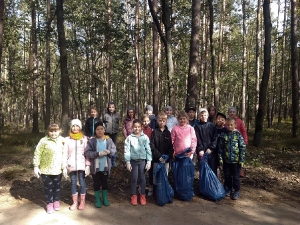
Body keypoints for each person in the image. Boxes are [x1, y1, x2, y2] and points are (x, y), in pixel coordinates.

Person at [33, 124, 65, 214]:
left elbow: (66, 152)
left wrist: (65, 166)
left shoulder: (62, 140)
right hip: (45, 170)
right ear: (48, 132)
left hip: (58, 169)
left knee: (57, 186)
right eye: (51, 131)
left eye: (55, 131)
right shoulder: (43, 141)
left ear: (59, 131)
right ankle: (49, 204)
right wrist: (36, 166)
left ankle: (56, 201)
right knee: (48, 187)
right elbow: (37, 153)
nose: (53, 133)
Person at [84, 121, 116, 208]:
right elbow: (87, 153)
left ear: (104, 130)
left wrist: (109, 152)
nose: (100, 131)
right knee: (96, 184)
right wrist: (97, 154)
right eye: (98, 129)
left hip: (105, 167)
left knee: (105, 184)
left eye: (101, 129)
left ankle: (104, 198)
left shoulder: (109, 140)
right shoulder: (92, 141)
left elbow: (114, 149)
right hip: (95, 168)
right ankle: (97, 199)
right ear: (95, 131)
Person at [124, 119, 152, 206]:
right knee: (134, 178)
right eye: (135, 127)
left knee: (142, 179)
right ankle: (134, 195)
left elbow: (148, 149)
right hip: (133, 161)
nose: (137, 129)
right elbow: (127, 150)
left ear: (141, 127)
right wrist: (127, 162)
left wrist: (149, 161)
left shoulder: (145, 137)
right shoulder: (129, 138)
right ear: (132, 128)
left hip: (142, 161)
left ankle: (142, 195)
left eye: (139, 127)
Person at [63, 119, 89, 211]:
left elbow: (87, 153)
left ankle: (82, 201)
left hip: (81, 164)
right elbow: (65, 153)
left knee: (82, 182)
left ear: (80, 127)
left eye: (77, 126)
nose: (75, 128)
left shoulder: (84, 139)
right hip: (71, 164)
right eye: (73, 126)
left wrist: (88, 165)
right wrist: (64, 166)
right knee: (73, 182)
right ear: (71, 127)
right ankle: (74, 202)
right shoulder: (67, 140)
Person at [218, 117, 246, 200]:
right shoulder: (224, 135)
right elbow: (220, 148)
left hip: (236, 161)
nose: (229, 126)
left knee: (236, 177)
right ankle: (228, 189)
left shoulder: (238, 135)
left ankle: (236, 191)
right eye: (228, 125)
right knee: (227, 176)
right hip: (226, 160)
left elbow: (242, 148)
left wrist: (241, 160)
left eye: (231, 125)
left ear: (235, 125)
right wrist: (220, 159)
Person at [150, 112, 173, 201]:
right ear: (157, 121)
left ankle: (164, 194)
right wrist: (159, 156)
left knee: (164, 176)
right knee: (156, 177)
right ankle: (156, 195)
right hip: (157, 159)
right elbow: (152, 146)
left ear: (166, 121)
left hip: (166, 160)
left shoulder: (168, 133)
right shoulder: (154, 132)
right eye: (160, 120)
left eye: (163, 120)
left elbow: (171, 146)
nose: (161, 122)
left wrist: (168, 156)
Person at [194, 108, 218, 175]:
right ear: (199, 116)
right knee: (203, 170)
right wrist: (200, 149)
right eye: (201, 115)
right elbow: (197, 139)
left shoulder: (212, 126)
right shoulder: (197, 127)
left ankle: (212, 185)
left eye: (205, 115)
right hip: (201, 152)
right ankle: (203, 185)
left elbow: (215, 138)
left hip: (211, 152)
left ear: (207, 116)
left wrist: (211, 148)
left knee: (212, 169)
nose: (203, 117)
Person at [227, 106, 248, 177]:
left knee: (238, 157)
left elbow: (244, 131)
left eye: (233, 112)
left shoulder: (239, 121)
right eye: (230, 112)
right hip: (229, 142)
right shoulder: (227, 121)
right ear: (228, 113)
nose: (232, 113)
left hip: (238, 142)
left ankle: (239, 170)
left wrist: (245, 140)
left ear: (235, 113)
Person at [103, 102, 120, 167]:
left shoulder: (117, 115)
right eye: (110, 107)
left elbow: (118, 123)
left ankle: (113, 160)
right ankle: (108, 160)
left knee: (114, 146)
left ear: (114, 108)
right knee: (108, 146)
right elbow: (103, 124)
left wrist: (117, 130)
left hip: (114, 133)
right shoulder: (105, 115)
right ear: (108, 108)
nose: (111, 108)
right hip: (107, 133)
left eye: (112, 107)